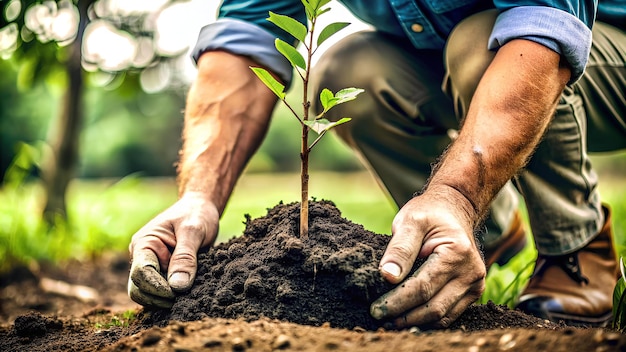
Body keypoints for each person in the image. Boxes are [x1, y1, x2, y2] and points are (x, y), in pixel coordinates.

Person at [127, 0, 626, 328]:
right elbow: (243, 44)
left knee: (477, 41)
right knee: (345, 73)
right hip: (462, 59)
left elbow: (542, 32)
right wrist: (199, 198)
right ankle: (480, 234)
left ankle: (577, 249)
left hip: (596, 48)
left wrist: (456, 193)